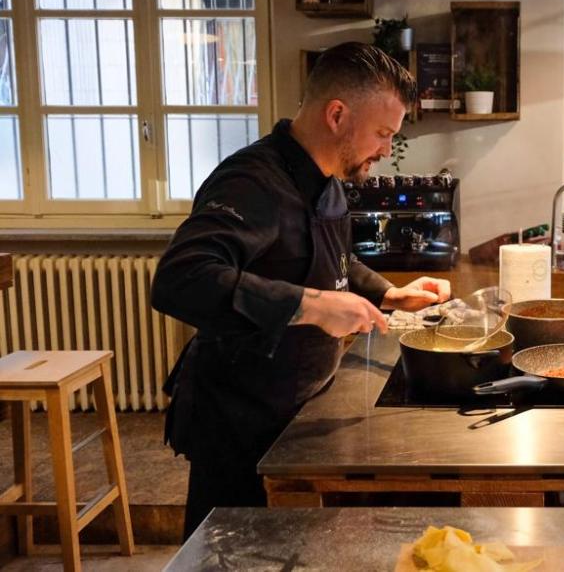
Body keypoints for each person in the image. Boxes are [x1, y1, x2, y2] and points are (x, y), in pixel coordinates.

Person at [151, 42, 451, 539]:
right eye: (382, 133)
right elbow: (181, 278)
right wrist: (308, 305)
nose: (385, 149)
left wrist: (389, 294)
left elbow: (331, 258)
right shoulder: (251, 181)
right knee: (231, 557)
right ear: (337, 114)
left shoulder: (329, 180)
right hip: (239, 418)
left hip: (299, 408)